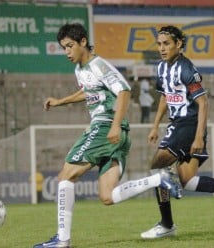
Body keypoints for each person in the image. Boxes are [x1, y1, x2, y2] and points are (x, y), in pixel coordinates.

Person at [33, 23, 181, 248]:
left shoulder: (98, 65)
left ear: (83, 41)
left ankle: (62, 240)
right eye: (64, 47)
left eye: (70, 46)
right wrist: (61, 101)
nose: (67, 52)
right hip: (117, 134)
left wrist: (113, 125)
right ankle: (159, 179)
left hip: (105, 127)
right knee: (107, 196)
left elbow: (123, 90)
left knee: (65, 177)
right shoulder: (80, 70)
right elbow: (89, 91)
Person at [140, 25, 214, 239]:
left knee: (157, 165)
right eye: (159, 44)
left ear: (178, 44)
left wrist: (197, 137)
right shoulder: (161, 68)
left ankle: (166, 224)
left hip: (188, 124)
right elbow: (165, 96)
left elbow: (203, 103)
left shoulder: (186, 68)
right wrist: (155, 125)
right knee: (188, 181)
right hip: (177, 124)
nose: (162, 48)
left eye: (166, 43)